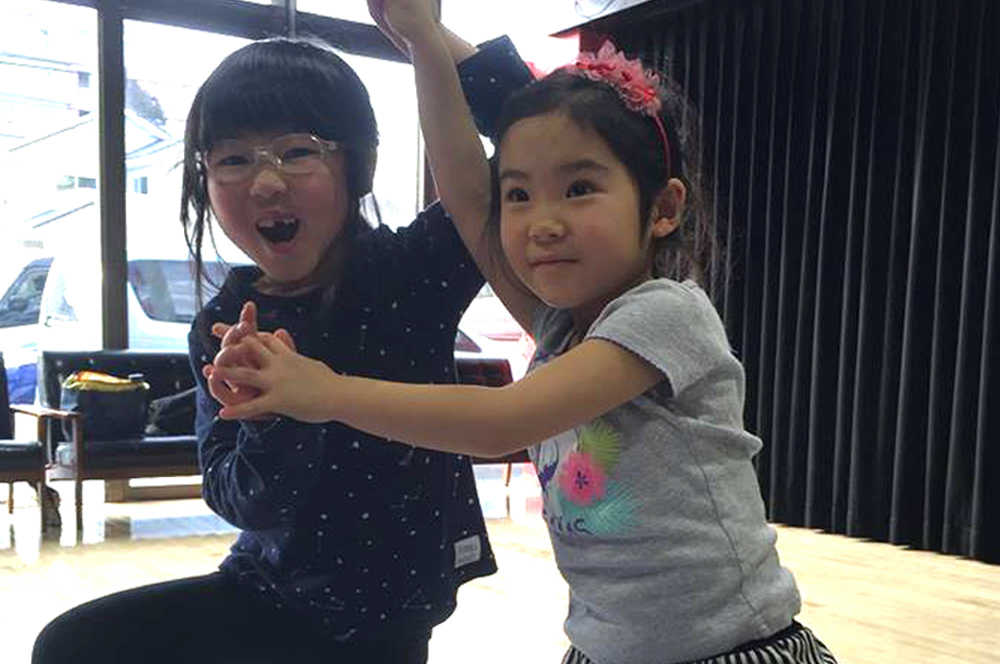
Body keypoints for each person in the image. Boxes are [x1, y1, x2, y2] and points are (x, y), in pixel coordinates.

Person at [206, 2, 841, 663]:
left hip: (732, 649)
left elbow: (501, 422)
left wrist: (325, 391)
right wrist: (422, 43)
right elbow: (465, 195)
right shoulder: (561, 330)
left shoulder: (667, 314)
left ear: (663, 208)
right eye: (519, 196)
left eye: (579, 189)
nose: (543, 222)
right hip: (607, 648)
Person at [31, 6, 534, 664]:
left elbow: (537, 130)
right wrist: (271, 420)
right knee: (73, 645)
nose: (266, 183)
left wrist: (424, 34)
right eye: (233, 160)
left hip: (388, 618)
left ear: (360, 166)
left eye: (298, 151)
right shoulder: (226, 324)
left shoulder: (411, 270)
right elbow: (239, 498)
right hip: (267, 592)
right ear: (205, 180)